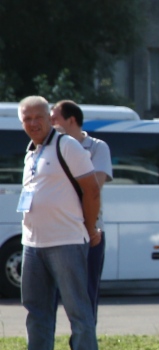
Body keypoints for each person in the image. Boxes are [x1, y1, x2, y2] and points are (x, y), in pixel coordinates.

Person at [0, 97, 102, 350]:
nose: (33, 123)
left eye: (38, 117)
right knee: (36, 311)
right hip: (32, 243)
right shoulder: (32, 152)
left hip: (67, 240)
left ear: (50, 118)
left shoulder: (67, 146)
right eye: (26, 119)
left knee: (78, 309)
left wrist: (89, 227)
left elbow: (92, 189)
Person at [51, 100, 112, 322]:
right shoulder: (48, 147)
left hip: (89, 231)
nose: (50, 123)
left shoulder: (97, 147)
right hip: (55, 232)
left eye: (54, 118)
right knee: (50, 295)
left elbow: (94, 186)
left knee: (87, 292)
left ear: (72, 120)